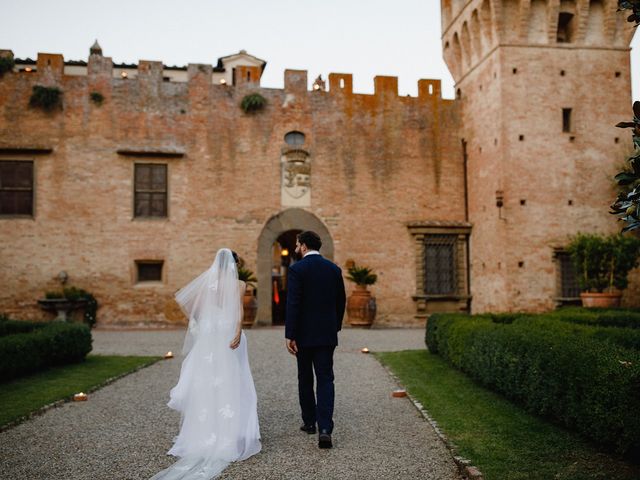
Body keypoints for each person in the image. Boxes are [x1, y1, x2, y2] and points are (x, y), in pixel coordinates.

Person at [151, 248, 261, 480]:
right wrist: (238, 332)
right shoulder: (240, 285)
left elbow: (192, 307)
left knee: (207, 381)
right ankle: (230, 433)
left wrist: (204, 324)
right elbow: (240, 314)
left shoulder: (207, 282)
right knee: (232, 379)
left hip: (210, 335)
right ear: (235, 265)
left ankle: (203, 432)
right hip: (229, 334)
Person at [285, 231, 346, 449]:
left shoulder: (296, 269)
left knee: (305, 378)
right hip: (327, 334)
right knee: (326, 378)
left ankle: (309, 423)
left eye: (296, 245)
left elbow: (293, 303)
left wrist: (290, 334)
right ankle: (326, 428)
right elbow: (341, 302)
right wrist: (334, 327)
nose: (295, 249)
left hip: (302, 335)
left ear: (303, 246)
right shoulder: (333, 269)